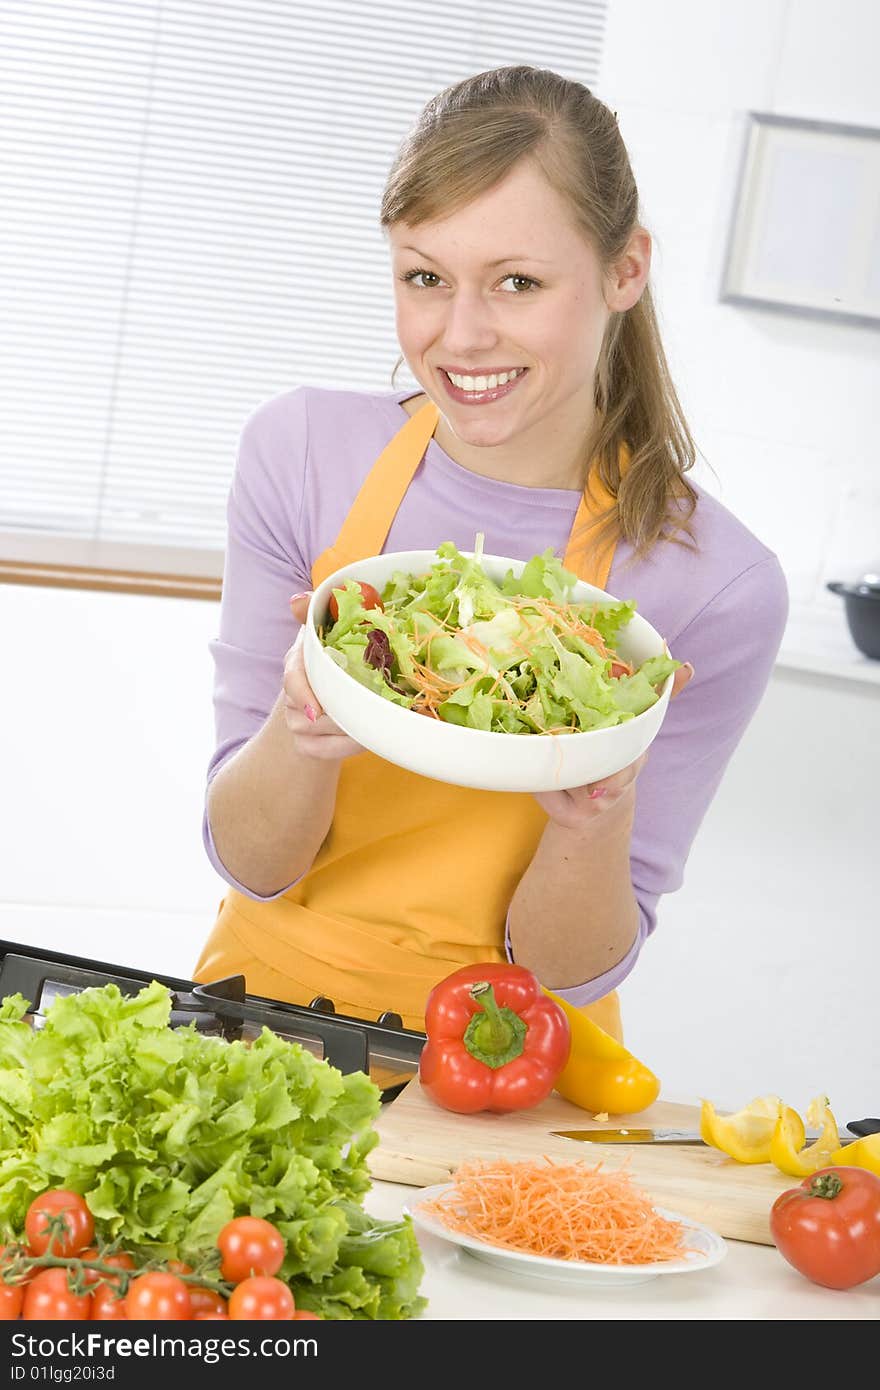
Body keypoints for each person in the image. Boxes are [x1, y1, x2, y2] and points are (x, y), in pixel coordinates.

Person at [192, 66, 788, 1039]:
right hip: (265, 1020)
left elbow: (570, 970)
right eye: (426, 277)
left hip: (513, 1059)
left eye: (517, 281)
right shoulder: (301, 453)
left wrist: (593, 816)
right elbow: (251, 860)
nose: (461, 337)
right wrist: (304, 714)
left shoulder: (712, 583)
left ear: (624, 269)